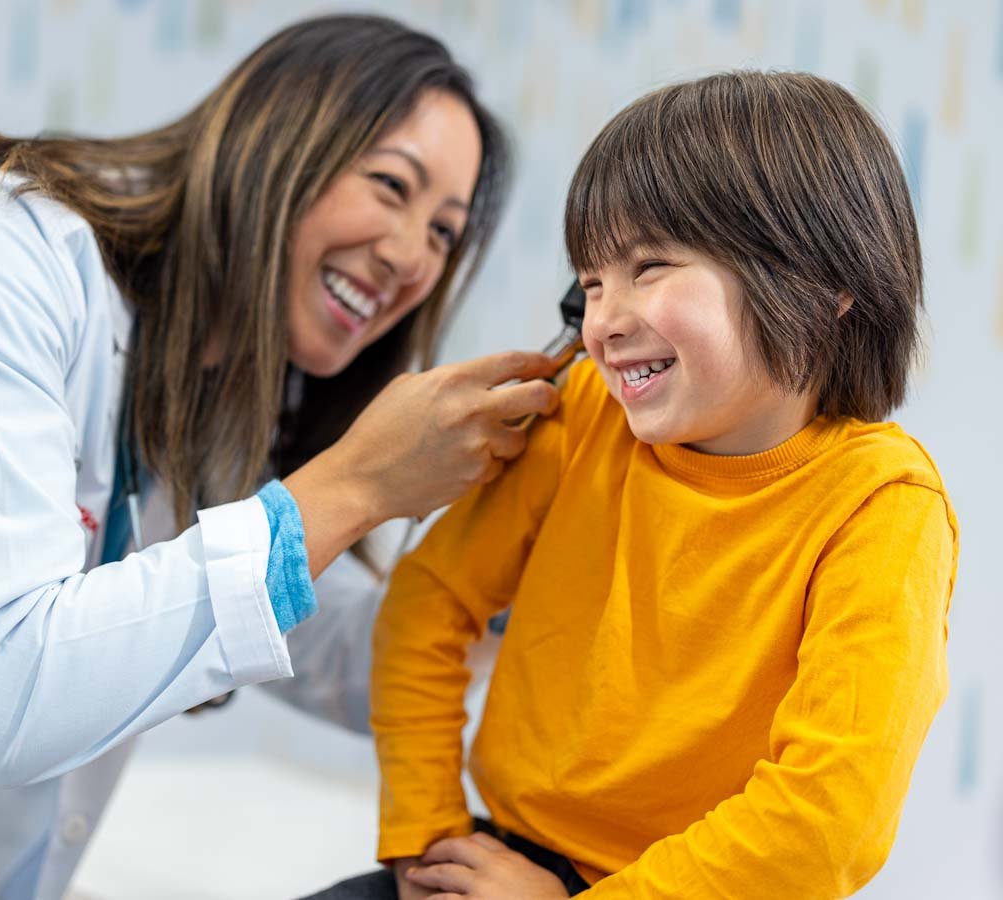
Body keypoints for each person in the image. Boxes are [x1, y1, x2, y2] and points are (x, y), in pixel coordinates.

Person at [0, 15, 561, 900]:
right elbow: (6, 689)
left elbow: (347, 654)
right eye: (391, 186)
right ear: (272, 144)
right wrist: (356, 485)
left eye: (443, 232)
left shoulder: (199, 402)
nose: (407, 258)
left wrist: (535, 546)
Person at [305, 71, 959, 899]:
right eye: (591, 283)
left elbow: (827, 821)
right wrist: (424, 836)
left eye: (649, 267)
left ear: (826, 283)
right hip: (503, 858)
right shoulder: (584, 414)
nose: (603, 321)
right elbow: (427, 603)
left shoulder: (883, 508)